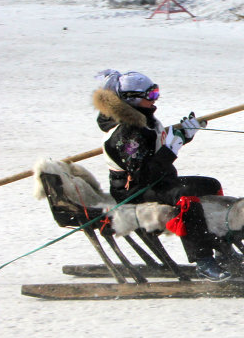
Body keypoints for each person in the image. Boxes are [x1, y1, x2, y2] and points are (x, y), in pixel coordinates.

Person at [93, 69, 232, 282]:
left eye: (156, 93)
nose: (155, 99)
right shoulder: (126, 133)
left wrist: (183, 135)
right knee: (185, 198)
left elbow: (155, 143)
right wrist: (171, 149)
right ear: (132, 100)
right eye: (151, 95)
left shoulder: (143, 119)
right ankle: (204, 261)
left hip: (158, 180)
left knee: (211, 185)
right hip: (134, 191)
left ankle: (222, 244)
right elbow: (143, 174)